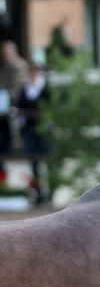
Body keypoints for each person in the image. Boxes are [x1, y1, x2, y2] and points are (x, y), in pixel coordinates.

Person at [16, 64, 50, 203]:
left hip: (44, 129)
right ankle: (37, 191)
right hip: (30, 130)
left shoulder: (45, 88)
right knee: (33, 162)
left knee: (47, 160)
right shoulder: (25, 89)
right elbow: (19, 107)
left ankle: (49, 191)